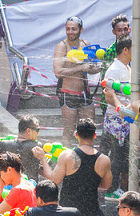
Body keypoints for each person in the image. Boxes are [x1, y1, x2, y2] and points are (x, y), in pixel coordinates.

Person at [35, 117, 111, 216]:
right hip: (92, 212)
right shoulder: (104, 160)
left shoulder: (66, 155)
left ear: (76, 134)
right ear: (94, 136)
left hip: (67, 211)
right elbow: (106, 185)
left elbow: (54, 180)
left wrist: (42, 158)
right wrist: (89, 180)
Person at [53, 16, 98, 145]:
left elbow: (91, 69)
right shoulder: (62, 46)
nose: (70, 32)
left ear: (81, 30)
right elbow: (57, 72)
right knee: (69, 131)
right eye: (68, 29)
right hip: (68, 94)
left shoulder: (86, 45)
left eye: (73, 29)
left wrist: (100, 67)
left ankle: (87, 160)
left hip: (85, 94)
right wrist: (80, 67)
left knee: (89, 130)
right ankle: (65, 161)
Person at [101, 36, 132, 196]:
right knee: (116, 157)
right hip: (116, 120)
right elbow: (107, 95)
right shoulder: (114, 69)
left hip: (125, 119)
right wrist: (122, 107)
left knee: (121, 157)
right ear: (125, 49)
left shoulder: (126, 67)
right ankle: (110, 190)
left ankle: (116, 187)